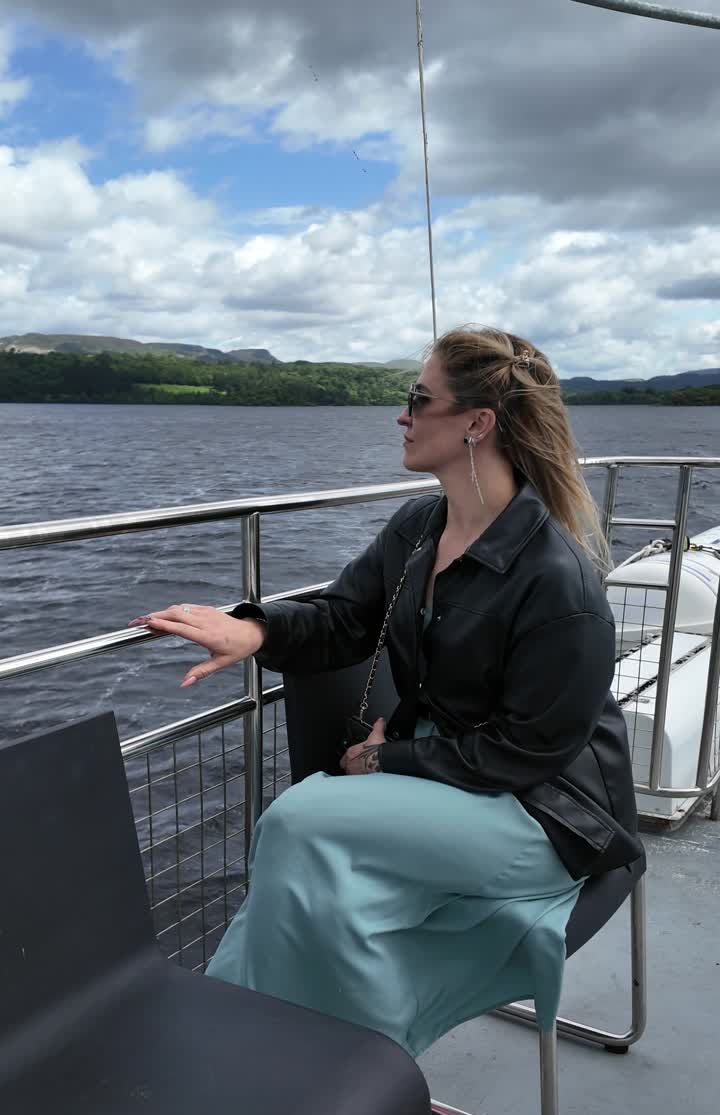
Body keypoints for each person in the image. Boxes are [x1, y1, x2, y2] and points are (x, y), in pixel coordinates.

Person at [130, 326, 643, 1059]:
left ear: (476, 423)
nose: (401, 416)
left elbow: (527, 752)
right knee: (316, 886)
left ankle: (300, 1062)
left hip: (549, 813)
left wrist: (384, 761)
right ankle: (285, 1051)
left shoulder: (558, 583)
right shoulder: (420, 528)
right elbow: (344, 619)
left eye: (418, 399)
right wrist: (255, 632)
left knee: (301, 822)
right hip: (462, 779)